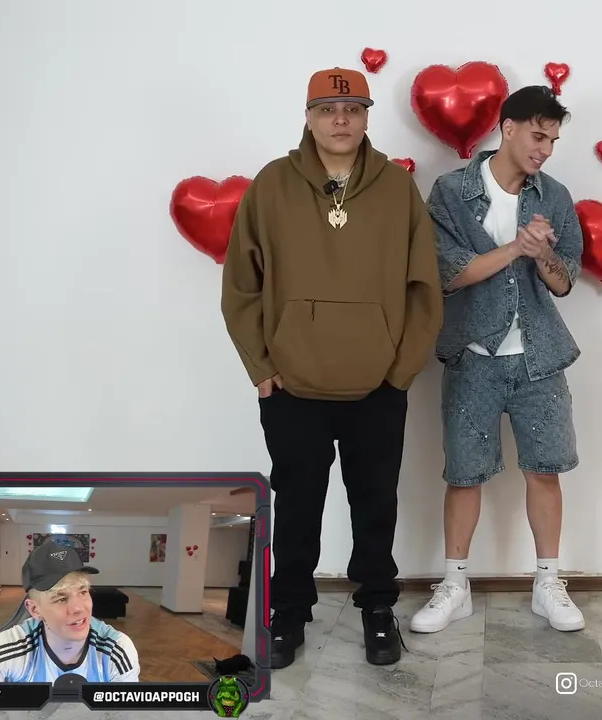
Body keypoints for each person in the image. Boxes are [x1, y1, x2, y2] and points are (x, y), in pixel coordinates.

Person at [221, 67, 444, 669]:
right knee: (297, 506)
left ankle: (377, 608)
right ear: (309, 116)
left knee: (376, 504)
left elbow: (424, 287)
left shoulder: (397, 189)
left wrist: (400, 373)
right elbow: (241, 286)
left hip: (378, 386)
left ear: (367, 115)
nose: (340, 119)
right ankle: (289, 613)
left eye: (352, 108)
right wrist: (261, 366)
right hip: (292, 386)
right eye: (326, 108)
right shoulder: (272, 185)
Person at [408, 86, 585, 636]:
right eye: (538, 136)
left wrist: (544, 253)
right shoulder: (451, 192)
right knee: (464, 474)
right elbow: (449, 273)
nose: (545, 149)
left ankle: (548, 582)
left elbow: (564, 283)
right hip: (473, 356)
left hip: (540, 358)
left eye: (553, 140)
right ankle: (455, 585)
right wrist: (515, 249)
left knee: (545, 470)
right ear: (508, 129)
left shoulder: (554, 196)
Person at [0, 540, 140, 683]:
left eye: (83, 592)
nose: (79, 608)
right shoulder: (8, 648)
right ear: (34, 609)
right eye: (61, 598)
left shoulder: (117, 649)